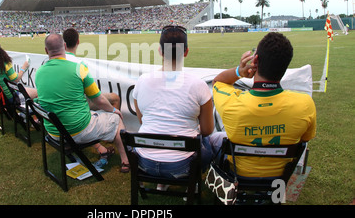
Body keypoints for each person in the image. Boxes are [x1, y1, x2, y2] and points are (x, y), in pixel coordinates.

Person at [212, 32, 316, 178]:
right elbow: (305, 139)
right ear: (286, 64)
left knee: (214, 139)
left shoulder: (231, 102)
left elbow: (218, 82)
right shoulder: (305, 104)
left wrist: (239, 71)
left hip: (237, 174)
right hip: (280, 176)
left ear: (255, 60)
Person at [132, 25, 224, 181]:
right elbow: (208, 130)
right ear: (186, 52)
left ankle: (162, 182)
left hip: (144, 162)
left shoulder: (141, 81)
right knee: (216, 140)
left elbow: (142, 121)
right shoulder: (199, 85)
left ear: (160, 51)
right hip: (182, 165)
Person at [35, 34, 130, 172]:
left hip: (54, 132)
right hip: (77, 130)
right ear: (65, 47)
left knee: (87, 114)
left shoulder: (39, 72)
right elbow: (99, 99)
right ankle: (126, 161)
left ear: (46, 50)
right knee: (115, 118)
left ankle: (103, 149)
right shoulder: (78, 68)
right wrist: (115, 110)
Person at [63, 27, 120, 109]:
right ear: (78, 42)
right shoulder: (80, 65)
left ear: (63, 43)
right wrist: (113, 110)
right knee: (115, 98)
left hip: (58, 106)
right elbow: (95, 95)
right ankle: (114, 119)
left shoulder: (51, 62)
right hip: (76, 106)